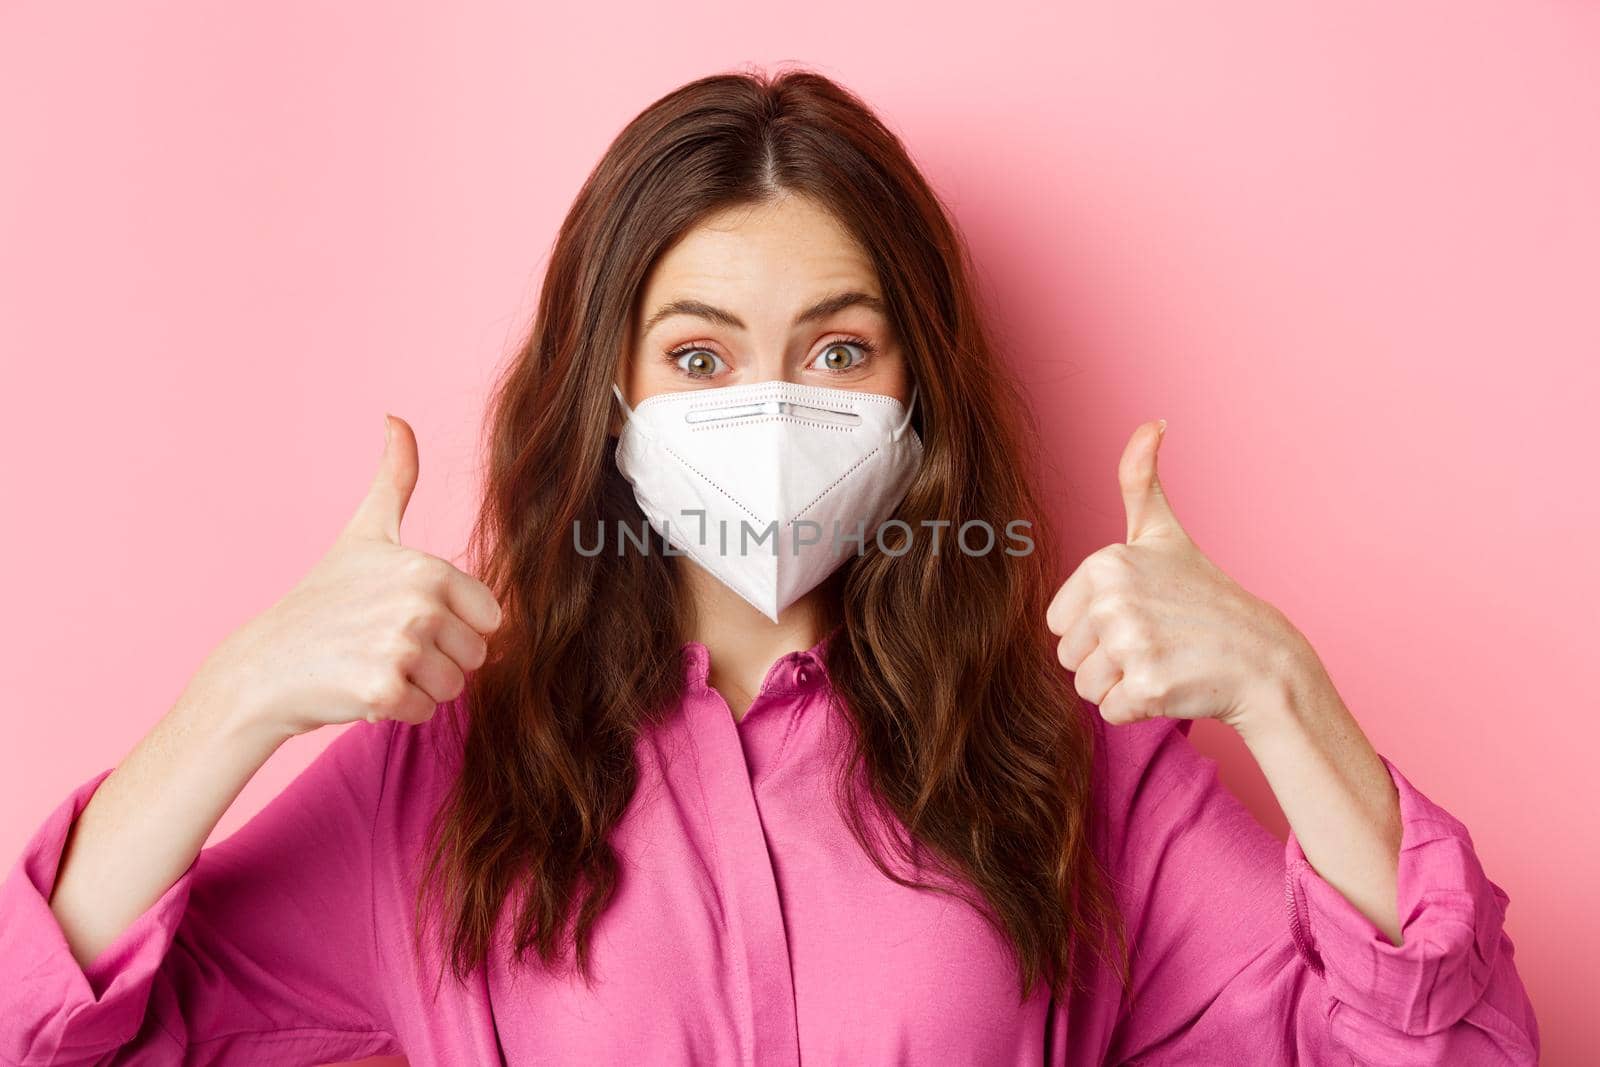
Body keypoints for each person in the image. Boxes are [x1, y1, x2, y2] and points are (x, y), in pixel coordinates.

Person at [0, 68, 1539, 1066]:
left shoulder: (1068, 762)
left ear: (915, 388)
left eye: (837, 349)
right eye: (700, 355)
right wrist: (236, 703)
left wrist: (1285, 693)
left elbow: (1447, 1056)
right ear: (609, 401)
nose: (769, 407)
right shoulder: (453, 777)